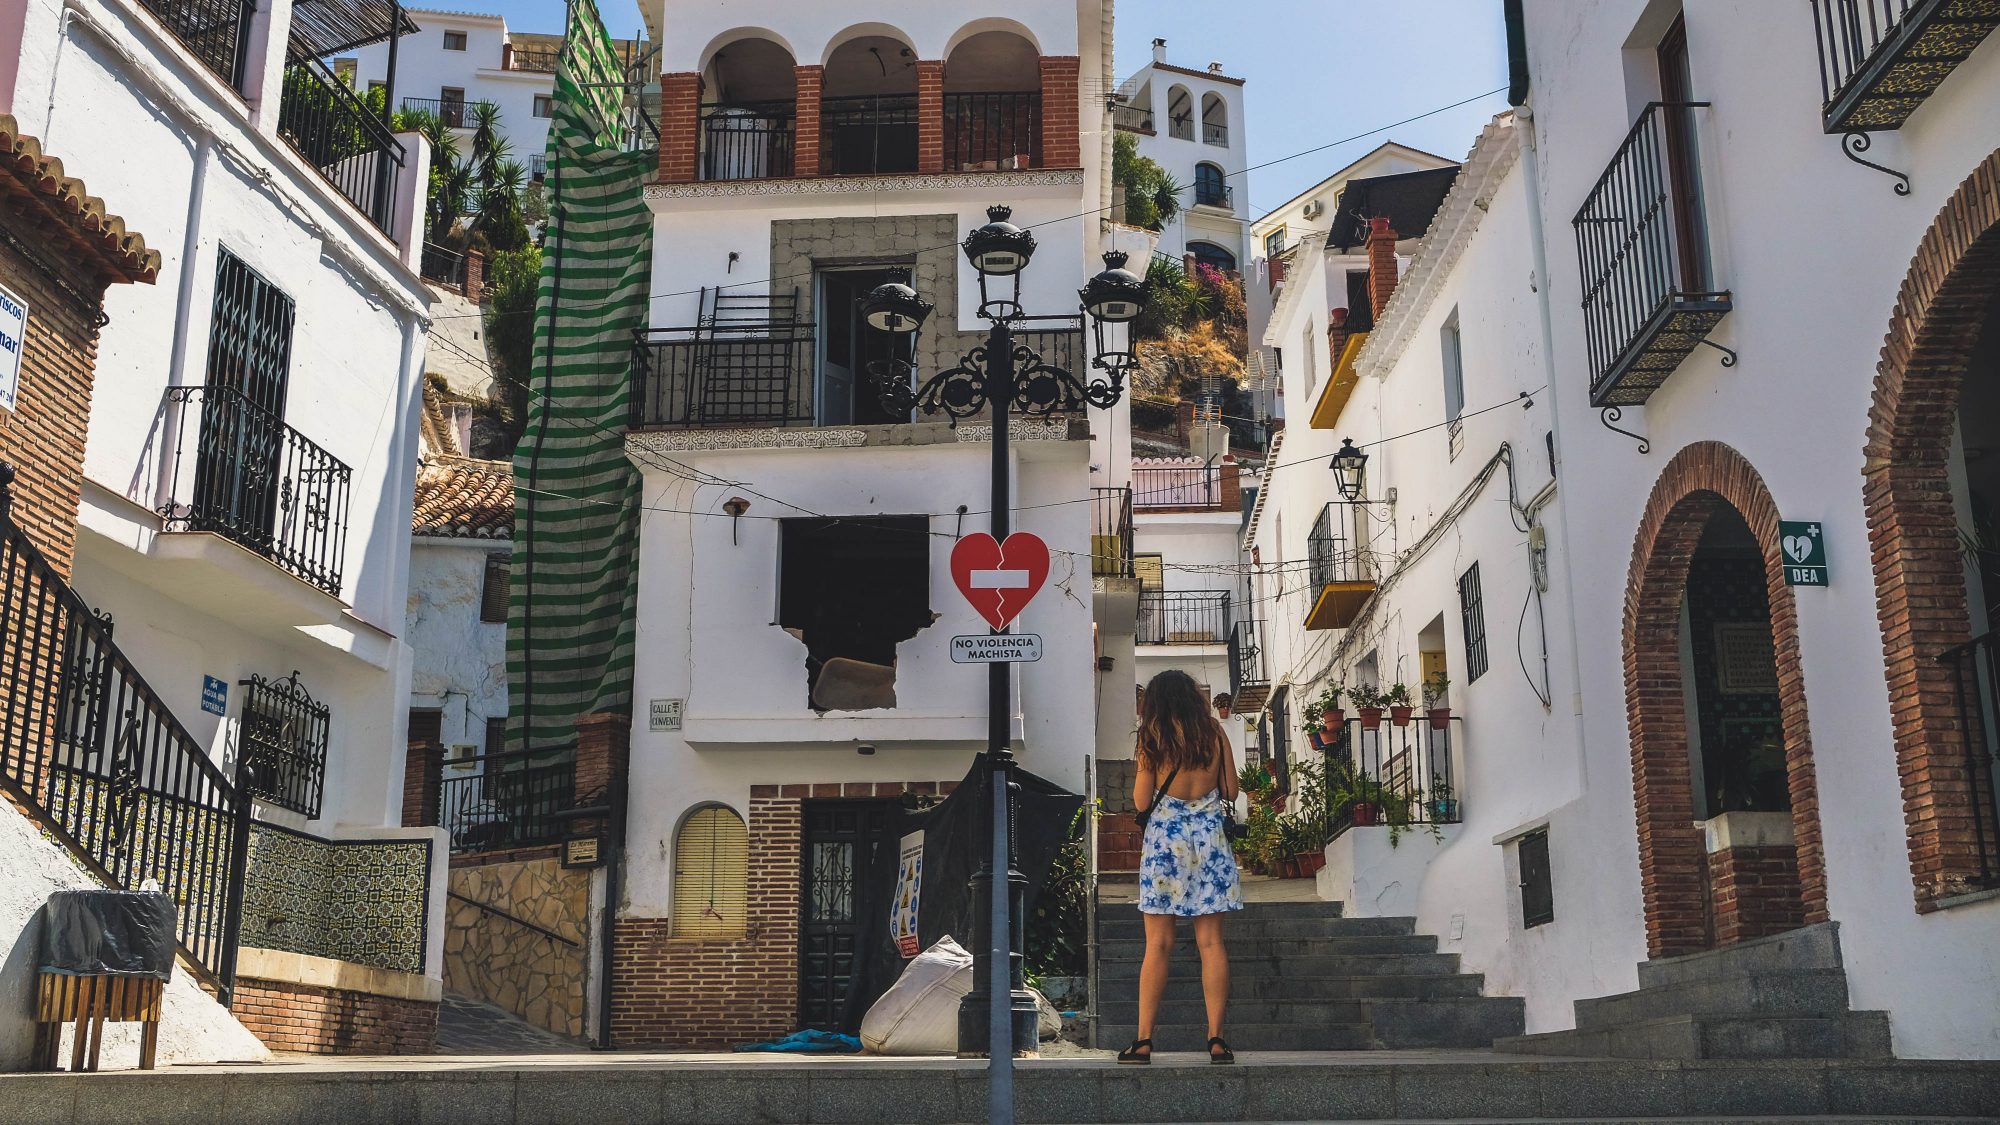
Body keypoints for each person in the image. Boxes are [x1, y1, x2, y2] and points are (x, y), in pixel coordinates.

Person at [1120, 669, 1243, 1065]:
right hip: (1209, 839)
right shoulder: (1213, 732)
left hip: (1165, 843)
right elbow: (1231, 791)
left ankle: (1142, 1042)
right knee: (1211, 944)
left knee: (1157, 944)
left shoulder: (1151, 737)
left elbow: (1141, 802)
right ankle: (1217, 1039)